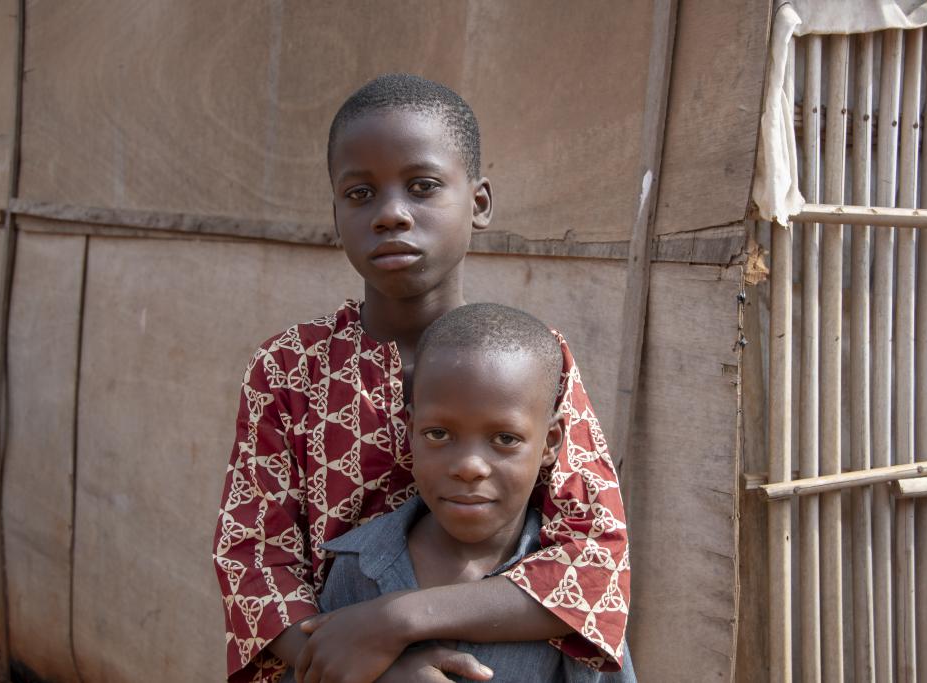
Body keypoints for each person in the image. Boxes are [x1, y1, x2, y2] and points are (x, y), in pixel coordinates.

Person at [213, 73, 630, 683]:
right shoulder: (289, 370)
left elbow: (596, 558)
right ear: (335, 214)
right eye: (360, 194)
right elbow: (254, 561)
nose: (390, 215)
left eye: (423, 186)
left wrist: (398, 620)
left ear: (479, 203)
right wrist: (374, 671)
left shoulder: (536, 361)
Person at [279, 303, 634, 683]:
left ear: (550, 443)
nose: (469, 466)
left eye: (505, 439)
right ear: (410, 430)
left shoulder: (578, 594)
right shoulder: (356, 566)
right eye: (438, 434)